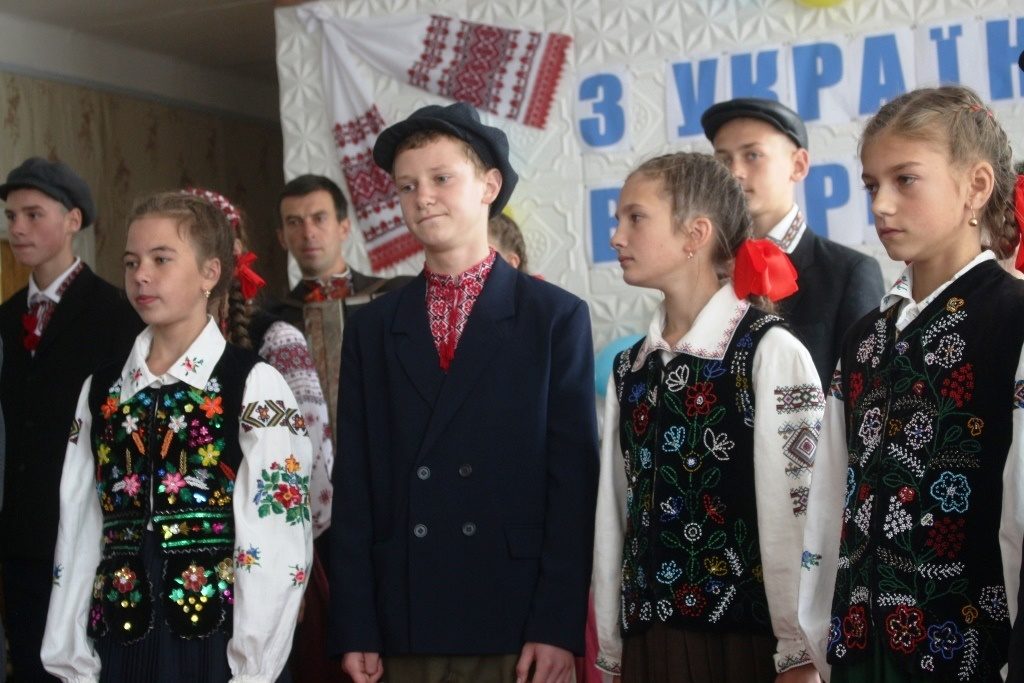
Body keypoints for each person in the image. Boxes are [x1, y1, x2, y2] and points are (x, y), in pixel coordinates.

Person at [329, 101, 599, 683]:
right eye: (407, 186)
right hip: (404, 612)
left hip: (515, 613)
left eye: (441, 178)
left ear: (489, 186)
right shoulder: (372, 328)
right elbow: (354, 485)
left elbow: (573, 487)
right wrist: (356, 624)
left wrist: (556, 625)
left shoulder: (554, 317)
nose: (422, 197)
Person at [798, 85, 1024, 683]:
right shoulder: (864, 338)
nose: (881, 205)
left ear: (977, 186)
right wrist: (818, 630)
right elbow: (831, 495)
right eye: (872, 185)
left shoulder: (1013, 318)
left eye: (906, 180)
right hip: (859, 648)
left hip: (970, 650)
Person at [40, 192, 313, 682]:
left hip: (215, 645)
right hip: (119, 640)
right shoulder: (102, 389)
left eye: (161, 259)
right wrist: (72, 659)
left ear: (210, 272)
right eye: (131, 262)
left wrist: (254, 668)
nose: (141, 275)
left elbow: (276, 536)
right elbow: (79, 525)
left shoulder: (253, 384)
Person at [592, 152, 824, 683]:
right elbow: (615, 516)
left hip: (741, 645)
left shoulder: (767, 352)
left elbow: (799, 511)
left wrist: (799, 649)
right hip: (649, 643)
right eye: (618, 220)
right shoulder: (631, 368)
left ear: (695, 234)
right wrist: (613, 645)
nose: (617, 237)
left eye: (636, 218)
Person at [0, 157, 142, 682]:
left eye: (33, 214)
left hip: (88, 533)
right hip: (19, 536)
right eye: (11, 216)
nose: (17, 228)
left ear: (73, 220)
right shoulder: (5, 318)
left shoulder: (117, 314)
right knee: (28, 663)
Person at [702, 98, 885, 389]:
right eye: (723, 159)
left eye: (752, 155)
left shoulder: (848, 272)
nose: (734, 171)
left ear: (798, 165)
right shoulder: (707, 271)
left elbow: (866, 391)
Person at [272, 174, 411, 326]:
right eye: (294, 222)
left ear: (344, 229)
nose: (308, 233)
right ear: (282, 238)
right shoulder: (274, 319)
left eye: (319, 218)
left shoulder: (398, 293)